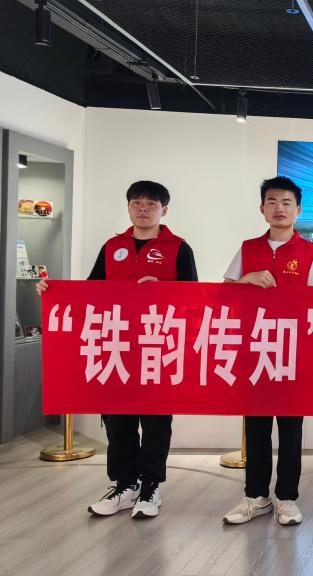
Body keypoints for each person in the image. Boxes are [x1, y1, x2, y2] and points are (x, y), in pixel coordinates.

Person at [37, 180, 198, 519]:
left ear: (164, 210)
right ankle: (125, 484)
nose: (143, 209)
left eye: (151, 204)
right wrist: (53, 291)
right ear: (128, 207)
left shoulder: (179, 248)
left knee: (155, 421)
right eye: (136, 203)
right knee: (117, 420)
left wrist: (163, 290)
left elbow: (194, 299)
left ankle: (150, 486)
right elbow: (89, 291)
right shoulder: (112, 247)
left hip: (157, 347)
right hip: (115, 346)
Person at [221, 176, 313, 526]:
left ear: (298, 210)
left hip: (294, 353)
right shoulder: (247, 248)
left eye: (286, 203)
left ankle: (287, 497)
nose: (279, 208)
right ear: (262, 208)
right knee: (255, 426)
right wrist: (246, 280)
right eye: (272, 202)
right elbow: (224, 294)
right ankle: (256, 495)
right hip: (254, 350)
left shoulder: (311, 253)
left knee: (290, 429)